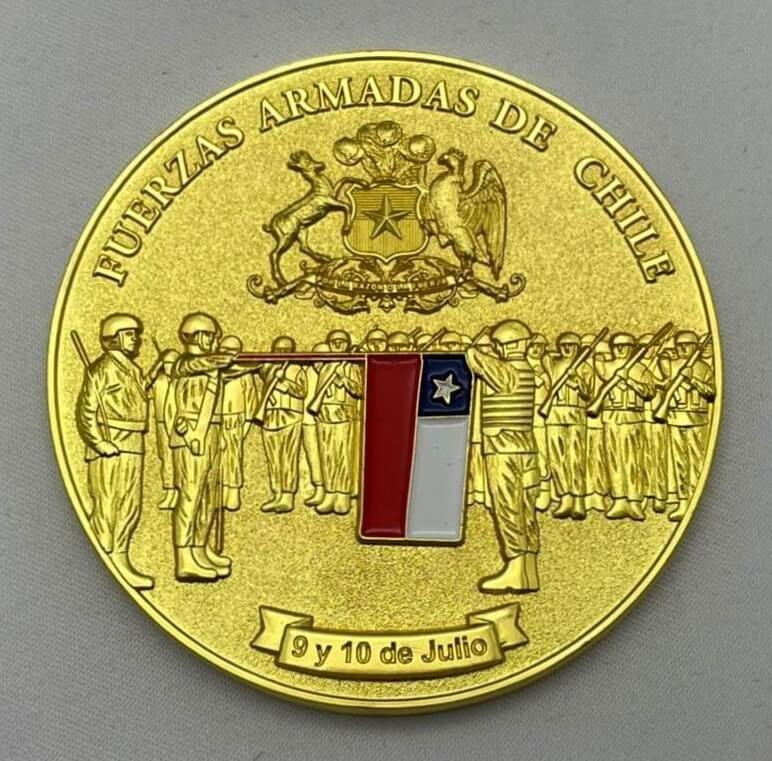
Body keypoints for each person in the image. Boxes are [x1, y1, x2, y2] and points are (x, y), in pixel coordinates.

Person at [75, 313, 153, 590]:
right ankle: (103, 562)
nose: (136, 339)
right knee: (109, 503)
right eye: (130, 334)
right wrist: (98, 443)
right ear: (115, 338)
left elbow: (138, 397)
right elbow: (86, 411)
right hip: (111, 445)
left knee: (130, 504)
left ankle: (120, 556)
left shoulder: (133, 369)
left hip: (133, 444)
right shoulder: (101, 369)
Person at [465, 319, 540, 593]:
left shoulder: (509, 371)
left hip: (503, 449)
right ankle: (527, 571)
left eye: (501, 344)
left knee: (509, 508)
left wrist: (474, 343)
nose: (499, 349)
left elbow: (474, 358)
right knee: (525, 509)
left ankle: (516, 570)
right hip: (525, 448)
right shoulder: (527, 369)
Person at [166, 312, 234, 581]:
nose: (214, 340)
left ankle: (199, 549)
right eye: (210, 335)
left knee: (209, 496)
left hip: (212, 432)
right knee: (190, 496)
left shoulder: (212, 365)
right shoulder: (185, 363)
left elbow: (225, 366)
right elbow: (195, 365)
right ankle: (184, 558)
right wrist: (220, 359)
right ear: (195, 336)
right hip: (190, 434)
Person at [595, 332, 656, 520]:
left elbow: (649, 392)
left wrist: (629, 380)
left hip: (633, 418)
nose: (620, 349)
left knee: (633, 460)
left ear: (632, 348)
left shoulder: (641, 369)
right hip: (612, 417)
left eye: (625, 346)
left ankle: (634, 500)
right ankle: (619, 499)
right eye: (617, 346)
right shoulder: (607, 367)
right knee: (613, 458)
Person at [663, 330, 715, 521]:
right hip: (676, 418)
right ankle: (683, 501)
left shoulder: (704, 368)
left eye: (687, 345)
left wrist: (692, 380)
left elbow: (711, 393)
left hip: (697, 419)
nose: (683, 349)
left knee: (697, 462)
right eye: (680, 345)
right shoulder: (672, 366)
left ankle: (695, 499)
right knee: (679, 463)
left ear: (695, 347)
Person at [313, 330, 363, 515]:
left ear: (347, 344)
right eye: (334, 341)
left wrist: (344, 379)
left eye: (341, 341)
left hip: (344, 414)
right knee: (327, 455)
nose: (337, 344)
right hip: (325, 414)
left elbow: (360, 390)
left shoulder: (351, 366)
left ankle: (343, 495)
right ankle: (330, 493)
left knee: (343, 456)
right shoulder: (325, 367)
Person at [544, 332, 592, 520]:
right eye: (563, 344)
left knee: (576, 457)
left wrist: (577, 380)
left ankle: (578, 499)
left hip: (576, 413)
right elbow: (544, 355)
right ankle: (565, 497)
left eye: (571, 345)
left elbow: (589, 395)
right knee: (557, 458)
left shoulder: (585, 367)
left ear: (577, 347)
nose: (566, 348)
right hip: (555, 413)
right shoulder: (553, 364)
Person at [257, 336, 307, 513]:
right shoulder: (268, 368)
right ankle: (276, 493)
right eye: (278, 350)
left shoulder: (296, 368)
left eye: (286, 350)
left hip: (291, 415)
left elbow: (302, 391)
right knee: (273, 458)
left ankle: (287, 497)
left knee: (288, 456)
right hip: (270, 416)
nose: (282, 353)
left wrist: (284, 383)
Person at [218, 335, 257, 512]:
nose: (227, 354)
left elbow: (251, 401)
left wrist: (246, 426)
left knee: (233, 457)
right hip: (216, 421)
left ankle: (233, 491)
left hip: (236, 420)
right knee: (217, 457)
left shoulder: (245, 375)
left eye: (232, 351)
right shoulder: (213, 372)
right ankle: (220, 490)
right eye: (224, 349)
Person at [638, 333, 670, 513]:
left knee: (658, 456)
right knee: (641, 457)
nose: (647, 350)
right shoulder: (636, 366)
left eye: (651, 346)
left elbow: (667, 383)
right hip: (639, 416)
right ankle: (643, 495)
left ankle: (659, 496)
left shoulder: (661, 363)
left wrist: (655, 380)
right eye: (644, 346)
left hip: (657, 416)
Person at [581, 334, 611, 513]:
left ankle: (598, 494)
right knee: (583, 458)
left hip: (601, 421)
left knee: (599, 457)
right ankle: (585, 494)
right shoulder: (580, 367)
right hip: (579, 421)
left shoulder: (605, 368)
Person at [148, 347, 179, 509]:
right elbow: (143, 389)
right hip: (161, 424)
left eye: (171, 363)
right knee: (165, 458)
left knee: (176, 459)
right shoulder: (158, 381)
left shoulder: (181, 382)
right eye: (165, 363)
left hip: (177, 426)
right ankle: (169, 490)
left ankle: (178, 492)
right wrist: (155, 368)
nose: (168, 367)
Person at [466, 333, 493, 509]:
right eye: (481, 348)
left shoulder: (496, 368)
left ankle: (488, 496)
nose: (484, 351)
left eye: (487, 347)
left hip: (490, 425)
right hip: (472, 423)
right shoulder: (466, 366)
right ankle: (471, 493)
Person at [526, 333, 553, 511]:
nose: (536, 350)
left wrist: (543, 376)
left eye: (540, 346)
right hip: (523, 413)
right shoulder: (522, 365)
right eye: (533, 346)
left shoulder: (546, 365)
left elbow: (551, 387)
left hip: (541, 414)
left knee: (542, 451)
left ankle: (544, 490)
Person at [302, 342, 328, 507]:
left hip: (328, 422)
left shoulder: (332, 372)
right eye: (317, 357)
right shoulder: (307, 371)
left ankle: (330, 491)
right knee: (313, 457)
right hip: (307, 420)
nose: (320, 361)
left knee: (327, 457)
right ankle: (319, 488)